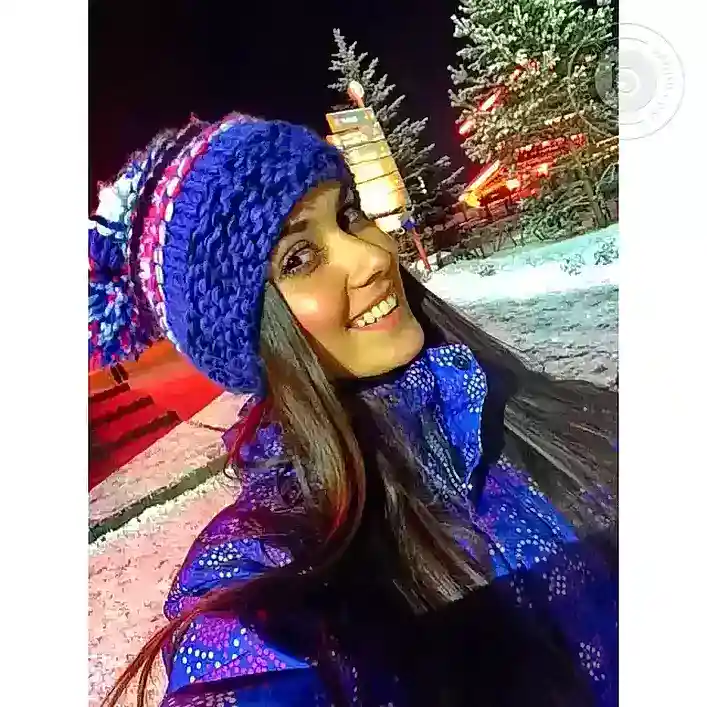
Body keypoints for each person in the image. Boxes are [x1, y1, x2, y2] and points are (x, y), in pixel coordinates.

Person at [90, 113, 618, 707]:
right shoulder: (283, 561)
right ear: (247, 337)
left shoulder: (536, 408)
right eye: (298, 258)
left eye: (349, 215)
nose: (372, 258)